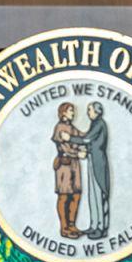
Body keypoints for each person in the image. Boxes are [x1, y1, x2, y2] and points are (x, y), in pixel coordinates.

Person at [63, 101, 109, 239]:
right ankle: (94, 225)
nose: (88, 113)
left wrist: (70, 138)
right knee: (92, 195)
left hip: (98, 163)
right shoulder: (94, 124)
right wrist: (86, 149)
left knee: (99, 195)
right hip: (91, 160)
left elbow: (87, 139)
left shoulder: (100, 124)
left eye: (89, 110)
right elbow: (93, 143)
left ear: (96, 111)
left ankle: (101, 228)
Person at [51, 102, 84, 239]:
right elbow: (65, 148)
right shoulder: (60, 128)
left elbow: (82, 136)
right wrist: (78, 154)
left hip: (75, 166)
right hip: (64, 165)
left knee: (76, 195)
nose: (73, 113)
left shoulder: (72, 128)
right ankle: (64, 228)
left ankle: (72, 225)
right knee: (64, 196)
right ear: (63, 112)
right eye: (71, 111)